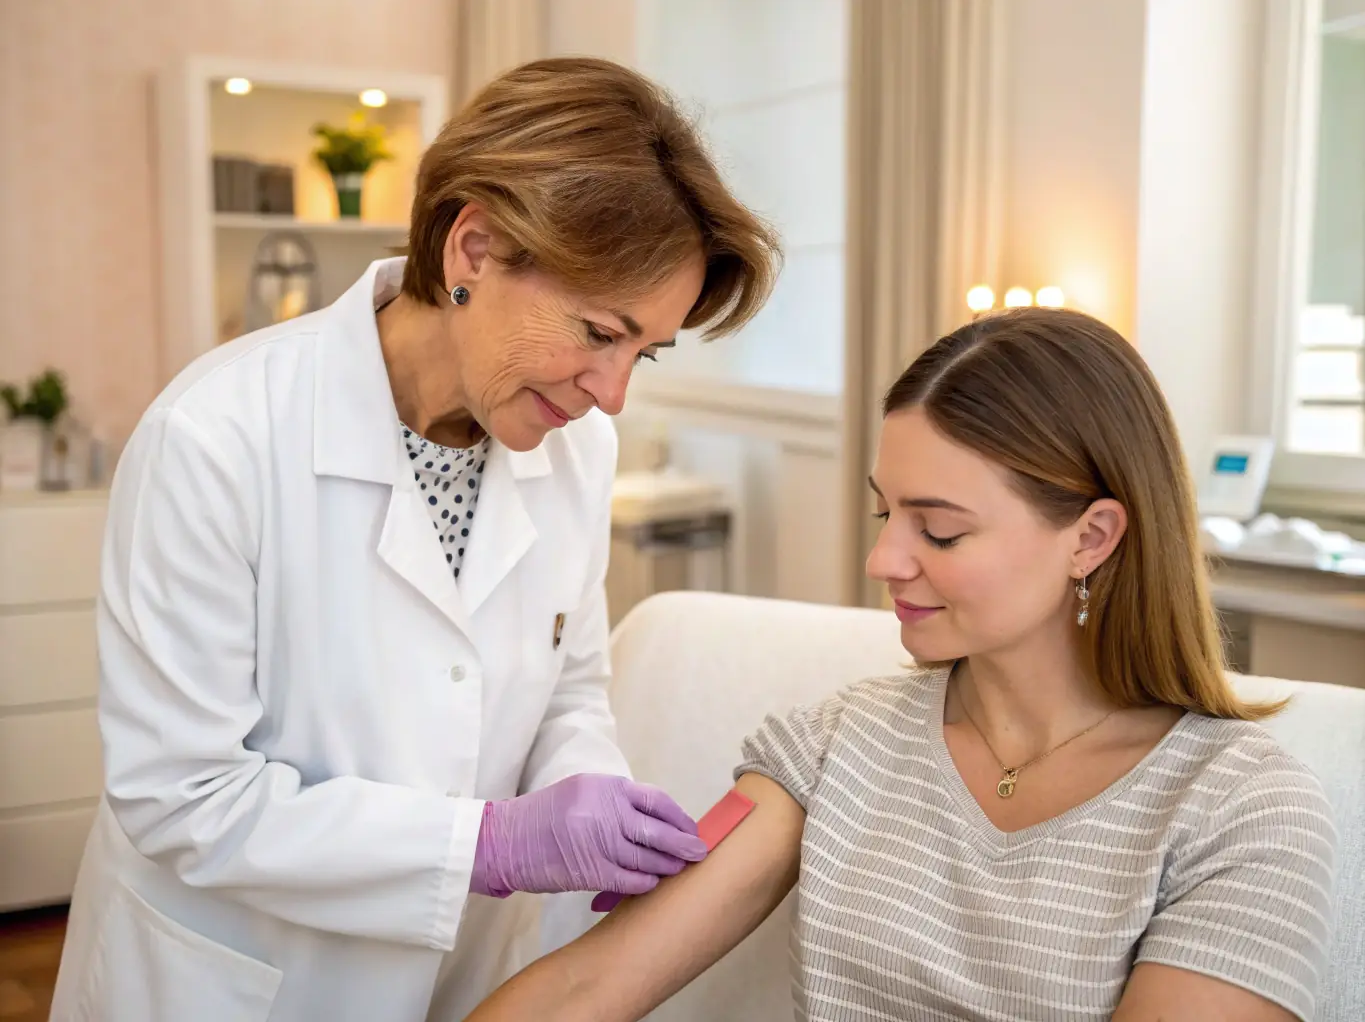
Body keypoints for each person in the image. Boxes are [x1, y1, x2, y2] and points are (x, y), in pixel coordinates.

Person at [50, 57, 780, 1022]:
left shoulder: (577, 449)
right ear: (472, 248)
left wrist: (583, 792)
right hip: (235, 981)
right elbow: (182, 797)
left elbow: (567, 683)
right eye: (599, 332)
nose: (613, 394)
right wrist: (489, 845)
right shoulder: (216, 436)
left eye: (642, 351)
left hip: (460, 977)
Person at [464, 307, 1338, 1022]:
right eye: (885, 514)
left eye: (940, 528)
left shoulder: (1240, 810)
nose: (885, 561)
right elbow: (588, 986)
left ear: (1092, 537)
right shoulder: (838, 742)